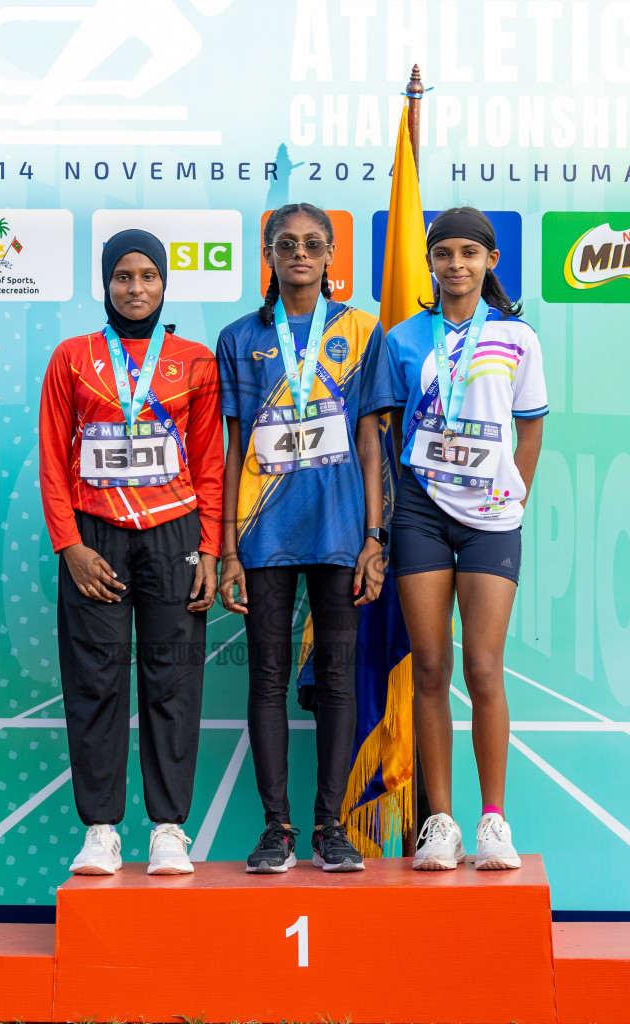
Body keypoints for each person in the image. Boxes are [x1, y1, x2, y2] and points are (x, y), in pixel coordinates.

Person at [216, 203, 396, 873]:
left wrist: (374, 537)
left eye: (312, 244)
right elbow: (233, 446)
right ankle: (276, 829)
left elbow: (373, 443)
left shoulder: (361, 330)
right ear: (268, 254)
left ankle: (331, 827)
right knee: (264, 679)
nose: (299, 253)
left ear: (330, 259)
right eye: (286, 244)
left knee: (338, 678)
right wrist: (229, 547)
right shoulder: (240, 338)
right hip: (263, 534)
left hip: (340, 530)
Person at [38, 228, 223, 875]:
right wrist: (69, 546)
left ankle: (169, 828)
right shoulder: (72, 357)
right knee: (95, 679)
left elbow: (209, 463)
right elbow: (53, 459)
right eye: (123, 276)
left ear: (165, 282)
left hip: (173, 533)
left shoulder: (196, 361)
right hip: (96, 536)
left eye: (147, 275)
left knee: (173, 679)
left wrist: (209, 548)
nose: (136, 287)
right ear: (106, 283)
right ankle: (101, 830)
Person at [384, 207, 547, 870]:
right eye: (444, 254)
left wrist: (517, 493)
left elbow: (530, 428)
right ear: (430, 262)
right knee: (428, 667)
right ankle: (440, 822)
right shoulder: (402, 339)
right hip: (421, 513)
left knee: (482, 667)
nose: (456, 265)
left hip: (491, 520)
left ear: (490, 261)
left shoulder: (518, 338)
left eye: (468, 254)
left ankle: (492, 820)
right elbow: (385, 432)